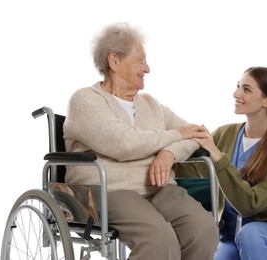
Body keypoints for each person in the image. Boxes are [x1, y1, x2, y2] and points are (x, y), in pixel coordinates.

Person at [62, 22, 219, 260]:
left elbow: (198, 134)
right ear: (114, 61)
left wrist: (170, 154)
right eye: (140, 60)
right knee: (157, 239)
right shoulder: (85, 100)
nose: (147, 68)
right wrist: (176, 135)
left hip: (158, 188)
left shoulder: (150, 104)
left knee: (203, 229)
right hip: (106, 189)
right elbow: (123, 144)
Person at [173, 66, 267, 259]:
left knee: (250, 234)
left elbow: (249, 206)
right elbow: (193, 170)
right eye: (238, 86)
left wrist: (218, 156)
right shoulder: (225, 133)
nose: (236, 93)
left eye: (246, 89)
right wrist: (164, 154)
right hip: (231, 237)